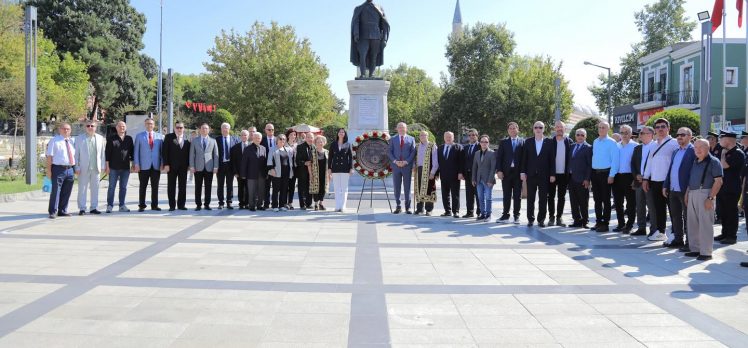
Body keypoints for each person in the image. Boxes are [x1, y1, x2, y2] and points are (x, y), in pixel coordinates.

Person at [685, 139, 723, 261]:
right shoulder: (695, 161)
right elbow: (691, 178)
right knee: (692, 223)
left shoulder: (714, 161)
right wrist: (687, 193)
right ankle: (695, 249)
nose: (698, 150)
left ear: (707, 148)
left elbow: (718, 181)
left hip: (705, 193)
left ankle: (706, 252)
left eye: (701, 147)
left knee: (705, 224)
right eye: (695, 147)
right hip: (692, 193)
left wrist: (710, 198)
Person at [642, 118, 679, 240]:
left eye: (663, 126)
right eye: (657, 127)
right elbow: (649, 162)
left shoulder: (674, 143)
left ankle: (675, 233)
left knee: (673, 209)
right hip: (655, 181)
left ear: (668, 128)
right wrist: (646, 178)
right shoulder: (653, 144)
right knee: (659, 208)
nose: (660, 129)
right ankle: (660, 232)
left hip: (668, 181)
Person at [663, 127, 695, 248]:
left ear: (690, 137)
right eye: (678, 135)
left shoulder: (693, 151)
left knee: (688, 217)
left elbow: (693, 172)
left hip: (685, 190)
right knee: (675, 216)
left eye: (683, 134)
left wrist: (689, 188)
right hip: (673, 189)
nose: (679, 137)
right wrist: (666, 185)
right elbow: (671, 169)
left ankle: (689, 242)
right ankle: (678, 239)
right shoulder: (676, 151)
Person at [520, 121, 556, 227]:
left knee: (543, 199)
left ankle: (541, 220)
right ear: (533, 129)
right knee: (530, 198)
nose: (538, 129)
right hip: (531, 175)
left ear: (543, 129)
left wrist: (552, 174)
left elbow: (552, 160)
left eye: (540, 127)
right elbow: (524, 159)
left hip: (544, 176)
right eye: (536, 127)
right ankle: (530, 219)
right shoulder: (528, 142)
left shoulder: (549, 142)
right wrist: (523, 172)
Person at [715, 131, 745, 245]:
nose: (719, 141)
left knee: (731, 213)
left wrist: (722, 154)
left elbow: (724, 165)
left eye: (721, 138)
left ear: (728, 139)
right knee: (723, 212)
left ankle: (731, 236)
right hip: (722, 188)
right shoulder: (726, 152)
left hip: (732, 188)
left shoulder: (738, 153)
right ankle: (725, 233)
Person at [590, 121, 619, 232]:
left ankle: (605, 224)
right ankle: (598, 222)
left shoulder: (612, 143)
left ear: (608, 129)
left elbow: (615, 161)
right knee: (597, 200)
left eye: (603, 127)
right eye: (600, 127)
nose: (601, 129)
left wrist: (611, 175)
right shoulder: (595, 141)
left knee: (606, 200)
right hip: (595, 174)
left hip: (606, 174)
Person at [350, 0, 390, 78]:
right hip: (362, 36)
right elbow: (356, 22)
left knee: (373, 56)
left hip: (376, 36)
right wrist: (356, 34)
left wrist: (384, 39)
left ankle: (372, 74)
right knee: (362, 55)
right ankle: (363, 74)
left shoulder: (379, 8)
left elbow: (385, 24)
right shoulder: (359, 8)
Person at [74, 119, 106, 215]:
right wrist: (77, 167)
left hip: (96, 168)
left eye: (92, 126)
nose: (90, 128)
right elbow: (76, 155)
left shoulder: (100, 138)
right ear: (85, 127)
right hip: (83, 168)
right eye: (88, 126)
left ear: (96, 127)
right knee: (82, 189)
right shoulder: (79, 138)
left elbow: (102, 154)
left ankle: (93, 207)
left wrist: (103, 166)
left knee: (95, 188)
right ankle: (82, 208)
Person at [133, 118, 164, 212]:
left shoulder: (160, 136)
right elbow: (136, 152)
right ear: (145, 124)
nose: (149, 125)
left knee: (155, 186)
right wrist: (136, 164)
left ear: (154, 125)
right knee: (143, 186)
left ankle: (155, 205)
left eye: (151, 124)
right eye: (147, 124)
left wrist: (162, 163)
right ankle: (141, 205)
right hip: (143, 165)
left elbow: (162, 152)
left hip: (156, 165)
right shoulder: (139, 136)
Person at [46, 122, 76, 219]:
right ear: (60, 130)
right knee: (56, 191)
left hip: (70, 169)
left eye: (68, 129)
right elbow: (49, 156)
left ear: (70, 130)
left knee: (67, 191)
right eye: (64, 128)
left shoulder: (71, 141)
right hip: (58, 169)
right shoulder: (54, 141)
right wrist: (48, 171)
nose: (66, 130)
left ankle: (62, 210)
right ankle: (52, 211)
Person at [495, 123, 524, 224]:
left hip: (518, 173)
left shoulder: (522, 142)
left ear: (518, 130)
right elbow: (499, 158)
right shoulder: (503, 142)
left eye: (514, 128)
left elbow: (525, 159)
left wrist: (523, 172)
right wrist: (499, 170)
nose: (512, 130)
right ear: (508, 130)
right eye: (510, 128)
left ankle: (516, 216)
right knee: (506, 195)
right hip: (506, 173)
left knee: (517, 196)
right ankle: (505, 215)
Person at [631, 126, 656, 236]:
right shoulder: (637, 148)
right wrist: (636, 175)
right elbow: (632, 164)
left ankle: (654, 229)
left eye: (642, 133)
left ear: (650, 135)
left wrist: (647, 176)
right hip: (639, 181)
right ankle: (641, 228)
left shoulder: (656, 147)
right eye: (640, 133)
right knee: (640, 206)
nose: (640, 135)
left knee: (652, 206)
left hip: (651, 182)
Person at [612, 125, 637, 233]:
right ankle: (620, 223)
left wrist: (635, 179)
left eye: (626, 132)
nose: (624, 135)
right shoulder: (616, 146)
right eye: (622, 133)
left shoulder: (636, 146)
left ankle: (629, 224)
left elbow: (637, 164)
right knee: (618, 202)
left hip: (630, 176)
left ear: (631, 134)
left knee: (631, 203)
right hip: (617, 176)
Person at [105, 121, 134, 213]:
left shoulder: (129, 139)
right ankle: (109, 205)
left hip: (125, 168)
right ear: (116, 128)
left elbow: (132, 153)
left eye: (123, 126)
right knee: (111, 187)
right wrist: (107, 167)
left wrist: (133, 164)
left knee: (123, 187)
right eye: (120, 126)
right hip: (113, 167)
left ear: (125, 128)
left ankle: (122, 205)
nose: (122, 128)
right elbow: (107, 154)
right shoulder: (111, 138)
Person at [162, 121, 191, 211]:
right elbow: (165, 152)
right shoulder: (169, 137)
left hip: (183, 167)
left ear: (184, 129)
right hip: (171, 166)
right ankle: (172, 205)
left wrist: (189, 165)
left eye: (181, 127)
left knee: (182, 186)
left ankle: (181, 205)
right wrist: (166, 164)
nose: (179, 129)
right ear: (174, 128)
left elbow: (189, 153)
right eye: (177, 127)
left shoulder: (187, 139)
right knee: (171, 186)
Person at [387, 122, 416, 214]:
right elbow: (389, 152)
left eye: (403, 127)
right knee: (396, 187)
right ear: (397, 129)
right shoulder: (393, 139)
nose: (401, 129)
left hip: (407, 166)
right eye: (399, 127)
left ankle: (408, 207)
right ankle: (398, 206)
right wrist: (395, 161)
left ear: (406, 129)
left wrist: (406, 161)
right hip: (396, 166)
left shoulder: (411, 139)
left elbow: (413, 152)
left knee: (407, 187)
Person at [548, 120, 572, 227]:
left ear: (565, 129)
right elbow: (547, 160)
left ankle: (559, 217)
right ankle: (551, 217)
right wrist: (551, 173)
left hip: (564, 175)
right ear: (555, 129)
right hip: (552, 174)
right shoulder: (549, 142)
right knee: (551, 197)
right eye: (557, 127)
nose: (559, 129)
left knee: (561, 197)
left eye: (561, 127)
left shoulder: (570, 142)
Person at [190, 123, 219, 211]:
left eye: (206, 128)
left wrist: (215, 166)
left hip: (209, 167)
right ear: (200, 129)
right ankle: (198, 204)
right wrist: (192, 166)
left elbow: (216, 154)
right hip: (198, 167)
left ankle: (207, 204)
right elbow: (192, 154)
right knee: (198, 186)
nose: (204, 130)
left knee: (208, 186)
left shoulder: (213, 141)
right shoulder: (195, 140)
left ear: (209, 130)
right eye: (203, 128)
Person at [568, 129, 592, 228]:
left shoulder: (588, 148)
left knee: (583, 201)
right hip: (571, 178)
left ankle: (585, 221)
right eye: (578, 134)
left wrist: (587, 179)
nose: (580, 136)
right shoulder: (572, 146)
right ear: (575, 136)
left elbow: (590, 165)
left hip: (582, 180)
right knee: (573, 201)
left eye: (582, 135)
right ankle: (576, 220)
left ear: (585, 136)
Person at [437, 131, 463, 218]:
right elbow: (438, 162)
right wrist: (437, 173)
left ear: (453, 138)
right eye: (446, 137)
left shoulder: (458, 147)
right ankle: (447, 211)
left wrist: (460, 173)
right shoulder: (440, 148)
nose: (448, 138)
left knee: (455, 194)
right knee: (445, 194)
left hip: (455, 175)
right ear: (444, 138)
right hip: (443, 175)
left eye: (450, 137)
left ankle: (456, 211)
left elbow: (461, 162)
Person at [414, 131, 439, 216]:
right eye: (421, 135)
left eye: (424, 135)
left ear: (427, 136)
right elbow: (414, 158)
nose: (422, 136)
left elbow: (435, 160)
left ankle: (429, 209)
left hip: (429, 170)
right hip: (419, 170)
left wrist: (433, 172)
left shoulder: (432, 146)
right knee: (419, 189)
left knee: (429, 189)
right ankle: (419, 209)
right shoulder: (417, 146)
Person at [241, 132, 268, 211]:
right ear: (253, 138)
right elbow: (244, 162)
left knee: (261, 190)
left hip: (261, 174)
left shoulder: (264, 148)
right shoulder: (247, 149)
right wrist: (243, 174)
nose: (257, 139)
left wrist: (266, 173)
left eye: (259, 138)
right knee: (251, 191)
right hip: (251, 173)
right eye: (256, 138)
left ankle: (259, 205)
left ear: (261, 139)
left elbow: (265, 162)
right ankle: (251, 205)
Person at [328, 128, 353, 212]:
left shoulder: (348, 144)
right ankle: (337, 205)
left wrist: (351, 168)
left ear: (345, 134)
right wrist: (329, 168)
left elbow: (351, 157)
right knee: (337, 188)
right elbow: (330, 157)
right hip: (335, 168)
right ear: (338, 134)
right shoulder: (333, 144)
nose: (341, 133)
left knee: (344, 188)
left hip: (345, 168)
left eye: (343, 132)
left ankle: (343, 206)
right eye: (340, 132)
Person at [472, 135, 496, 221]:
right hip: (478, 180)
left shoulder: (492, 153)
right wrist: (473, 179)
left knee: (488, 198)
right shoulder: (477, 153)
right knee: (480, 198)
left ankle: (489, 214)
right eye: (482, 142)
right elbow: (474, 167)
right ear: (480, 143)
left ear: (488, 143)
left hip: (488, 180)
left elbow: (493, 168)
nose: (484, 143)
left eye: (486, 142)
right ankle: (483, 213)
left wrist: (490, 180)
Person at [216, 123, 239, 209]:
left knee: (230, 185)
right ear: (221, 130)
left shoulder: (235, 139)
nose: (225, 130)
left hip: (230, 165)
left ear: (229, 129)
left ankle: (229, 202)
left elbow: (236, 155)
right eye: (223, 128)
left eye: (226, 128)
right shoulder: (217, 140)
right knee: (220, 185)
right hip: (220, 165)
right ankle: (221, 203)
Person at [268, 134, 294, 212]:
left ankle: (282, 205)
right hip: (276, 172)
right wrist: (271, 169)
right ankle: (274, 205)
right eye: (280, 139)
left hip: (286, 172)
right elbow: (269, 160)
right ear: (277, 140)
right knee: (276, 189)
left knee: (284, 189)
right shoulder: (272, 149)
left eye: (283, 139)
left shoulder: (288, 149)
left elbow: (291, 161)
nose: (282, 140)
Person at [462, 129, 481, 218]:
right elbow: (463, 161)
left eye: (473, 135)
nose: (471, 136)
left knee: (478, 194)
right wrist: (462, 173)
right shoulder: (465, 148)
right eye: (470, 135)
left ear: (477, 136)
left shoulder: (480, 146)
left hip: (478, 174)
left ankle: (479, 212)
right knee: (469, 194)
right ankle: (469, 212)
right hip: (468, 174)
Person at [231, 130, 251, 209]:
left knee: (248, 188)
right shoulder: (235, 147)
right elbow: (233, 161)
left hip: (249, 172)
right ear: (240, 136)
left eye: (245, 135)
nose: (244, 136)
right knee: (240, 188)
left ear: (248, 136)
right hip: (239, 172)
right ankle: (241, 203)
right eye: (242, 135)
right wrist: (235, 172)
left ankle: (247, 203)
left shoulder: (252, 146)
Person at [296, 133, 315, 210]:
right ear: (306, 138)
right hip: (302, 171)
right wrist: (305, 163)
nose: (310, 139)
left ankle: (309, 203)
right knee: (302, 188)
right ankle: (302, 204)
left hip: (311, 171)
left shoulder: (314, 147)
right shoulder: (300, 147)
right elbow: (297, 160)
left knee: (309, 187)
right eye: (309, 137)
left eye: (311, 137)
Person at [310, 135, 329, 210]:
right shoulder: (312, 152)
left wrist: (330, 174)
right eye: (318, 142)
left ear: (324, 143)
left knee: (323, 188)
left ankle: (321, 203)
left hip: (325, 173)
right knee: (316, 188)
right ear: (315, 143)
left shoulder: (327, 152)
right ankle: (316, 203)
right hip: (315, 173)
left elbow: (329, 164)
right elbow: (309, 164)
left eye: (321, 142)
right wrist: (311, 174)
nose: (320, 143)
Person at [261, 123, 278, 209]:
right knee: (266, 187)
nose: (271, 131)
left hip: (275, 168)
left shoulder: (277, 140)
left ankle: (275, 204)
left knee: (275, 187)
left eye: (272, 130)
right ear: (265, 130)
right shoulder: (261, 140)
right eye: (269, 129)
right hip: (265, 168)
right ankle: (266, 204)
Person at [286, 129, 299, 210]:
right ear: (288, 135)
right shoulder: (284, 144)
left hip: (294, 168)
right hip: (285, 168)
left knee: (292, 186)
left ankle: (290, 202)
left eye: (294, 135)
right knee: (285, 186)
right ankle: (284, 202)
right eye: (291, 134)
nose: (293, 136)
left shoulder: (297, 146)